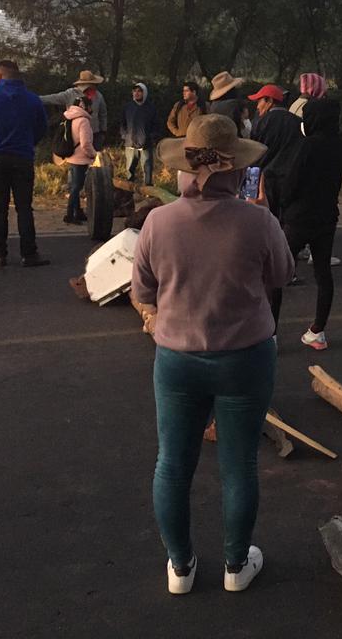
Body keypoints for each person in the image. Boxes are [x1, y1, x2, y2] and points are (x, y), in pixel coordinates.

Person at [132, 114, 295, 596]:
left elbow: (143, 290)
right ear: (235, 171)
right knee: (239, 464)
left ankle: (180, 568)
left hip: (178, 359)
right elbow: (281, 275)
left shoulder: (158, 222)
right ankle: (235, 566)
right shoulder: (258, 220)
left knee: (172, 465)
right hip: (245, 356)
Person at [268, 98, 342, 351]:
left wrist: (282, 202)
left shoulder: (307, 146)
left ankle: (270, 334)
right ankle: (318, 330)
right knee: (323, 272)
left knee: (276, 274)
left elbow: (292, 182)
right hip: (327, 216)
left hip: (299, 217)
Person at [0, 60, 50, 268]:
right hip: (23, 156)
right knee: (24, 207)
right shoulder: (32, 100)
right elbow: (42, 127)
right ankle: (29, 253)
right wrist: (29, 142)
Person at [247, 84, 299, 217]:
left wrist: (248, 191)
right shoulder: (298, 122)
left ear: (269, 101)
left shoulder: (261, 123)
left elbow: (253, 157)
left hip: (264, 184)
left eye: (259, 101)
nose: (257, 106)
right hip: (291, 182)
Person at [40, 69, 108, 150]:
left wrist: (103, 131)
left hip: (94, 134)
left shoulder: (98, 96)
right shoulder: (70, 94)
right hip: (74, 135)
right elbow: (52, 98)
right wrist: (33, 99)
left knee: (95, 159)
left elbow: (103, 114)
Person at [61, 95, 96, 225]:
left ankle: (78, 211)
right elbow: (85, 143)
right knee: (77, 187)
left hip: (70, 157)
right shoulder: (83, 121)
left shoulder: (70, 118)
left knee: (74, 186)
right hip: (80, 159)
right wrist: (93, 155)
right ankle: (70, 214)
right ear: (84, 106)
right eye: (90, 105)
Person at [122, 82, 160, 186]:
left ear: (144, 93)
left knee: (147, 168)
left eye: (139, 91)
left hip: (145, 144)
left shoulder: (151, 108)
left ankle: (148, 192)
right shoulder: (128, 107)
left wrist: (150, 137)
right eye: (135, 91)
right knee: (129, 169)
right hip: (130, 144)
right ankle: (129, 191)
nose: (137, 93)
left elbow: (156, 125)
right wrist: (124, 135)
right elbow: (122, 123)